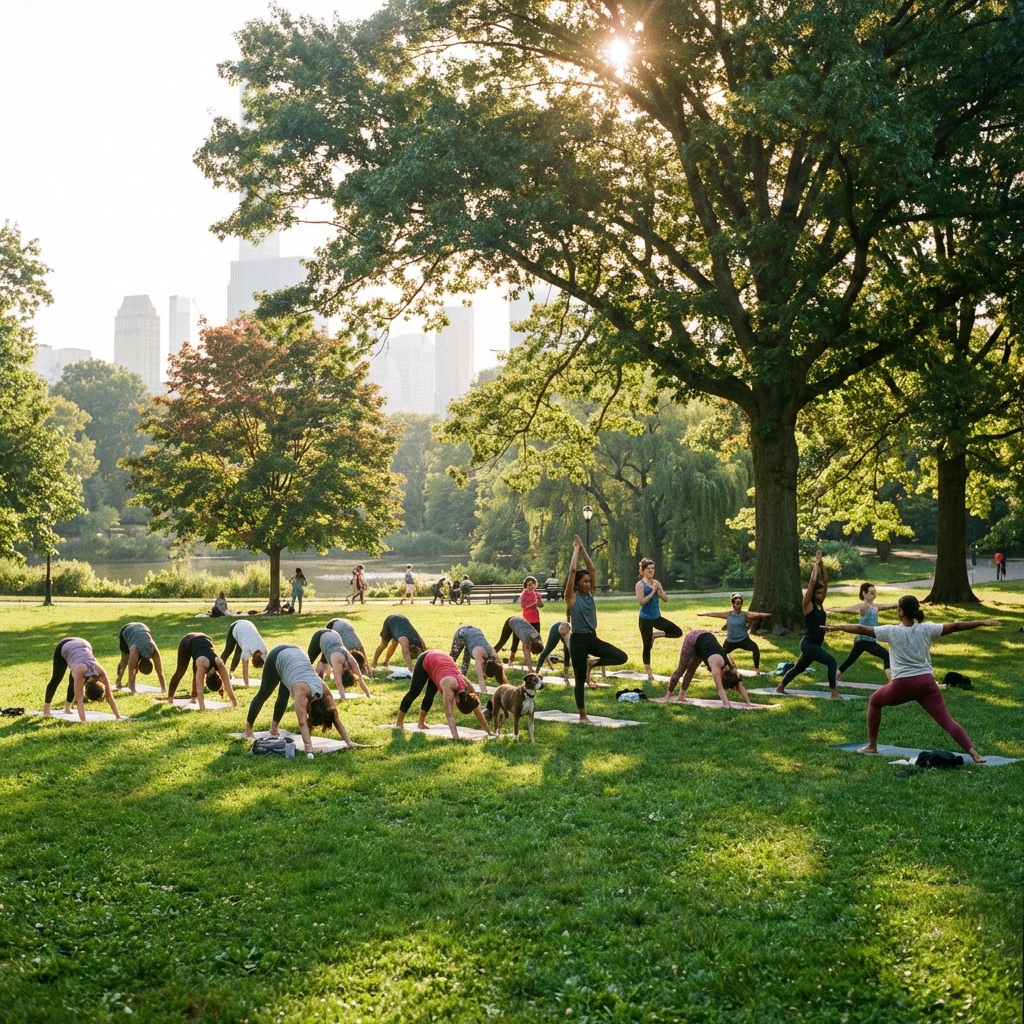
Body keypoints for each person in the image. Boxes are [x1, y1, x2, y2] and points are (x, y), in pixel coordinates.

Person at [824, 595, 996, 763]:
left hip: (903, 685)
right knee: (947, 721)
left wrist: (838, 627)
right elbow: (956, 626)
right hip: (926, 684)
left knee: (875, 701)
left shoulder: (891, 631)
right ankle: (975, 754)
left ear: (901, 612)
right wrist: (982, 622)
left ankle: (872, 746)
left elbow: (861, 629)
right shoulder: (927, 629)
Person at [244, 644, 360, 756]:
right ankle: (248, 729)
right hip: (277, 655)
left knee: (283, 696)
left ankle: (274, 729)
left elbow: (334, 717)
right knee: (263, 694)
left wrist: (348, 742)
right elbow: (302, 723)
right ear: (310, 709)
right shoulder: (301, 692)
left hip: (297, 655)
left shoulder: (325, 691)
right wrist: (308, 746)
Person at [565, 534, 627, 722]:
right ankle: (582, 715)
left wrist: (583, 549)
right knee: (579, 679)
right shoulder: (571, 597)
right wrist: (576, 550)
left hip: (592, 638)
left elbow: (592, 569)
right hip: (578, 640)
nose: (588, 583)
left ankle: (592, 663)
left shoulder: (590, 594)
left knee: (621, 657)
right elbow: (572, 571)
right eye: (585, 581)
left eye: (589, 581)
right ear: (577, 583)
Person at [776, 551, 840, 699]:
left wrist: (821, 564)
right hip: (808, 643)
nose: (822, 595)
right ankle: (834, 693)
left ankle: (780, 687)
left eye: (823, 593)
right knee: (831, 661)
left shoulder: (820, 604)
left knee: (799, 668)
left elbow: (825, 580)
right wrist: (815, 565)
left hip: (815, 643)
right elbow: (812, 582)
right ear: (813, 594)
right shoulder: (808, 604)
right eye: (819, 593)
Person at [395, 650, 493, 740]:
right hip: (427, 658)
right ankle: (399, 723)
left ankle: (421, 723)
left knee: (430, 695)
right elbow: (449, 714)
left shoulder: (469, 690)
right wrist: (456, 738)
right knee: (414, 692)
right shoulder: (449, 686)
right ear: (457, 700)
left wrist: (488, 731)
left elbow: (477, 708)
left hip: (439, 666)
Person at [665, 629, 753, 707]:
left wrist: (748, 703)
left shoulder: (730, 668)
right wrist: (726, 705)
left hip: (704, 641)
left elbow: (738, 684)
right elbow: (720, 688)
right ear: (723, 676)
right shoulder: (716, 666)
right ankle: (668, 695)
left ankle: (681, 695)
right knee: (682, 667)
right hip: (692, 638)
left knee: (692, 669)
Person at [43, 637, 122, 722]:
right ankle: (46, 711)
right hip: (65, 645)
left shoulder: (101, 673)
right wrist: (83, 721)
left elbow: (109, 696)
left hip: (84, 644)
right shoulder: (81, 672)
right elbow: (79, 699)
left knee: (74, 680)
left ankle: (67, 708)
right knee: (56, 679)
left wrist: (118, 717)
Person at [831, 583, 897, 681]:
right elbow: (847, 609)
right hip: (865, 640)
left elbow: (889, 605)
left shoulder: (875, 606)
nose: (874, 595)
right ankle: (891, 681)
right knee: (886, 655)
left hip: (864, 641)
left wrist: (900, 604)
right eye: (871, 593)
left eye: (875, 592)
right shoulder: (864, 606)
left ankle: (834, 678)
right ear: (864, 593)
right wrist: (830, 610)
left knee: (850, 660)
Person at [697, 594, 771, 675]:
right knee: (722, 653)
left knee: (755, 648)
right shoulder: (728, 614)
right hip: (730, 641)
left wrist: (769, 614)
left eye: (739, 602)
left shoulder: (745, 614)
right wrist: (704, 614)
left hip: (743, 640)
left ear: (741, 604)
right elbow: (715, 614)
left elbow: (758, 614)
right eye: (736, 602)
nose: (738, 603)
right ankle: (723, 669)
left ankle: (757, 669)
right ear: (733, 604)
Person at [635, 558, 683, 683]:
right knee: (647, 646)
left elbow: (665, 599)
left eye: (653, 568)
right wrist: (652, 591)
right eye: (648, 568)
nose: (651, 570)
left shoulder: (656, 583)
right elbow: (642, 602)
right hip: (645, 619)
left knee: (677, 632)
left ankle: (656, 635)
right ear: (643, 570)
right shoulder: (640, 585)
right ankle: (649, 674)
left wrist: (659, 590)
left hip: (656, 617)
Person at [166, 633, 237, 710]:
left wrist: (234, 702)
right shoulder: (203, 664)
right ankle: (170, 697)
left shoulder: (219, 663)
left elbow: (227, 684)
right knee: (180, 671)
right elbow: (200, 689)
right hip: (187, 641)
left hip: (205, 639)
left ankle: (193, 697)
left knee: (196, 672)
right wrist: (202, 707)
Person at [306, 628, 372, 697]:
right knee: (308, 663)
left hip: (334, 635)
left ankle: (319, 690)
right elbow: (339, 684)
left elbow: (360, 679)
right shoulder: (338, 662)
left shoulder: (351, 661)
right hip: (320, 636)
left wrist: (368, 696)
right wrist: (343, 698)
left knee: (322, 669)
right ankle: (304, 684)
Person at [114, 621, 167, 693]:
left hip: (144, 628)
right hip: (127, 630)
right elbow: (131, 669)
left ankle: (128, 683)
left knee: (132, 663)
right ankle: (118, 681)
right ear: (138, 666)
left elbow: (160, 671)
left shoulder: (154, 650)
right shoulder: (134, 649)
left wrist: (164, 689)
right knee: (124, 660)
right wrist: (133, 690)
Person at [449, 624, 507, 688]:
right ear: (484, 666)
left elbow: (501, 672)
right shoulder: (479, 655)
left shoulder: (493, 654)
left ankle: (462, 682)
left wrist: (504, 685)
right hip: (462, 632)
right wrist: (483, 689)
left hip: (474, 634)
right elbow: (480, 678)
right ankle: (446, 675)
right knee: (452, 658)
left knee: (465, 664)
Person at [220, 619, 268, 687]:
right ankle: (218, 672)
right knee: (228, 651)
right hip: (236, 626)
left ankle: (231, 672)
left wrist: (266, 682)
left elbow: (267, 669)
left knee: (237, 655)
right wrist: (246, 685)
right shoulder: (247, 649)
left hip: (247, 630)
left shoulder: (264, 651)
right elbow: (245, 669)